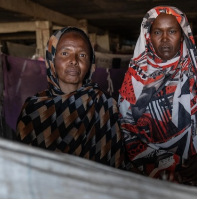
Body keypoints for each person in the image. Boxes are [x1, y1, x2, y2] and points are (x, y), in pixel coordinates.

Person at [118, 6, 197, 189]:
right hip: (154, 177)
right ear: (148, 36)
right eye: (158, 32)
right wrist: (167, 164)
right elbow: (127, 131)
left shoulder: (195, 74)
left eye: (172, 31)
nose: (165, 39)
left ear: (182, 35)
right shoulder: (134, 81)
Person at [16, 27, 126, 170]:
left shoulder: (104, 104)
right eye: (65, 53)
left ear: (90, 63)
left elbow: (114, 162)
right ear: (52, 59)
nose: (73, 61)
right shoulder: (33, 108)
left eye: (82, 55)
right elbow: (23, 166)